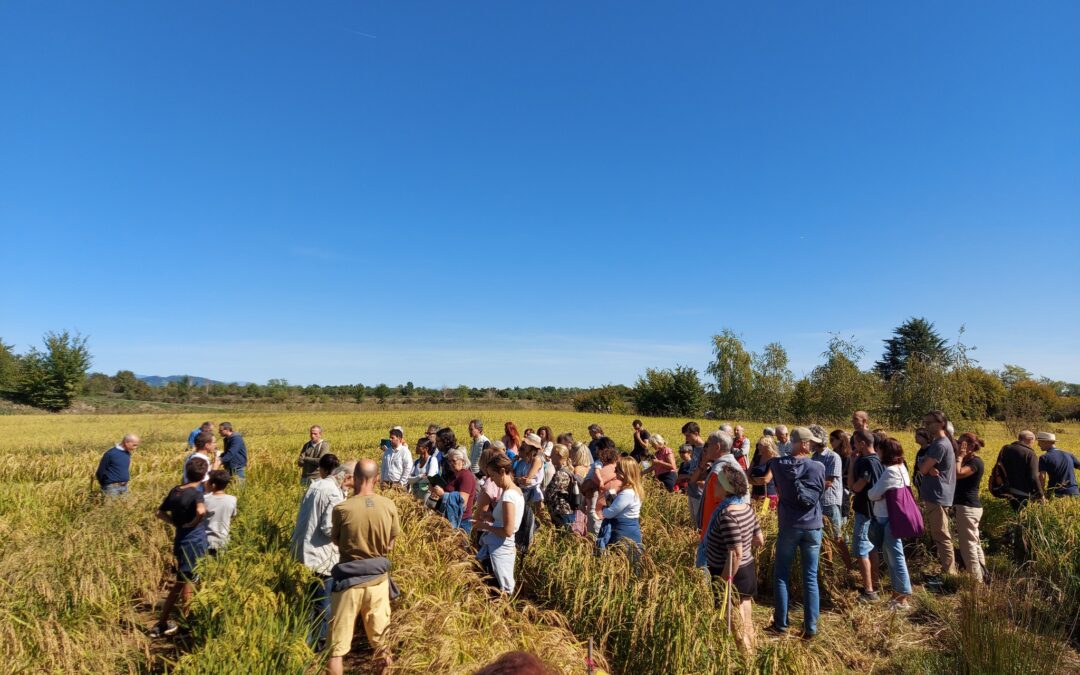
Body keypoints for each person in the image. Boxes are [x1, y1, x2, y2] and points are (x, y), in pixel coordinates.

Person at [327, 459, 400, 675]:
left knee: (336, 649)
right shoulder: (388, 505)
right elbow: (390, 544)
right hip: (378, 581)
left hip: (348, 582)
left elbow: (337, 541)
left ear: (354, 479)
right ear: (377, 479)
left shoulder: (342, 508)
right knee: (382, 643)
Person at [756, 427, 825, 639]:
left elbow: (773, 462)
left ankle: (781, 625)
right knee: (810, 577)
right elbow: (821, 492)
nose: (812, 445)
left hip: (788, 525)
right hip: (813, 526)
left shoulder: (777, 465)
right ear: (803, 444)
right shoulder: (818, 466)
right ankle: (810, 628)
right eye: (810, 442)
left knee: (781, 575)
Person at [290, 454, 352, 649]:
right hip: (321, 556)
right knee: (322, 601)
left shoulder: (317, 484)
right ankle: (320, 645)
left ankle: (303, 643)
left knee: (308, 600)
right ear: (347, 478)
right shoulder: (333, 493)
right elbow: (327, 528)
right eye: (352, 483)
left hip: (303, 550)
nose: (351, 488)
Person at [704, 463, 764, 653]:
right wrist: (745, 543)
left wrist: (723, 581)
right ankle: (752, 652)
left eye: (717, 484)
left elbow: (735, 553)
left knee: (733, 619)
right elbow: (759, 540)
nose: (714, 486)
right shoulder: (745, 507)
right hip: (746, 569)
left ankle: (745, 657)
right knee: (746, 615)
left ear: (725, 488)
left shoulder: (727, 514)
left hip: (730, 572)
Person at [150, 456, 209, 638]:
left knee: (181, 581)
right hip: (194, 540)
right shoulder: (197, 492)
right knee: (187, 582)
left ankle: (163, 622)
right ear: (203, 475)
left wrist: (175, 523)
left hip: (180, 538)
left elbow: (159, 512)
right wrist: (194, 522)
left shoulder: (176, 490)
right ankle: (185, 622)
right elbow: (201, 511)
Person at [867, 438, 914, 611]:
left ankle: (902, 597)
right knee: (891, 556)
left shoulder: (890, 472)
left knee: (895, 557)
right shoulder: (901, 468)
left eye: (879, 450)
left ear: (885, 452)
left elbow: (873, 494)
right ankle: (897, 595)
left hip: (887, 518)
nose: (877, 453)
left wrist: (876, 493)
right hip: (895, 518)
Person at [474, 454, 524, 594]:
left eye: (493, 476)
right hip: (503, 547)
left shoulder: (508, 495)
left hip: (499, 549)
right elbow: (507, 520)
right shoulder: (516, 491)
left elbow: (507, 530)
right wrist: (490, 516)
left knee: (496, 589)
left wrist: (484, 526)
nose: (492, 480)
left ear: (502, 472)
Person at [916, 411, 958, 576]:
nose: (925, 426)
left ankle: (950, 573)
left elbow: (923, 468)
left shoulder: (940, 444)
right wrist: (925, 467)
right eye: (924, 423)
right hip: (936, 494)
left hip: (938, 495)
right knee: (939, 534)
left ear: (941, 423)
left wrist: (925, 466)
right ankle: (947, 570)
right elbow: (925, 467)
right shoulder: (937, 443)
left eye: (929, 423)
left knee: (941, 534)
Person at [849, 429, 883, 602]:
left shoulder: (864, 462)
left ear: (862, 443)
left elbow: (855, 487)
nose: (853, 445)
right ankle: (875, 584)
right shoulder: (879, 459)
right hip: (877, 509)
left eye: (855, 442)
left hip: (865, 509)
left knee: (861, 549)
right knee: (872, 548)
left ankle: (869, 590)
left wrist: (852, 463)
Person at [954, 433, 987, 581]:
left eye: (961, 443)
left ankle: (976, 581)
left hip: (968, 507)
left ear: (971, 447)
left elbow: (957, 473)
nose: (958, 445)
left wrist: (959, 456)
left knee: (968, 547)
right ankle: (983, 575)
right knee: (974, 543)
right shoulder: (969, 460)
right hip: (967, 507)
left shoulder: (975, 463)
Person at [598, 456, 645, 553]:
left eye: (617, 470)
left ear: (624, 472)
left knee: (620, 559)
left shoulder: (627, 493)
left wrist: (604, 509)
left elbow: (609, 513)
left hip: (623, 531)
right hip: (631, 529)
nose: (615, 473)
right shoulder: (635, 490)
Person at [812, 429, 846, 559]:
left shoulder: (832, 456)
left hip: (830, 501)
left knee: (836, 537)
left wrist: (809, 490)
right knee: (824, 539)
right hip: (819, 502)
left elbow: (829, 482)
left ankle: (849, 570)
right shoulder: (815, 456)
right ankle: (830, 571)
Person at [430, 447, 477, 533]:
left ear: (462, 461)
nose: (451, 463)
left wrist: (443, 495)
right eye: (449, 461)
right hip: (450, 518)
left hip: (461, 521)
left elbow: (462, 502)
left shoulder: (466, 476)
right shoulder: (454, 475)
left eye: (454, 461)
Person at [994, 430, 1044, 511]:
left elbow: (998, 466)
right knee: (1023, 518)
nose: (1033, 444)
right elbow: (1034, 477)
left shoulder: (1005, 449)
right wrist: (1040, 494)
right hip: (1023, 494)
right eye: (1034, 441)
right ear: (1030, 439)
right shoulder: (1030, 453)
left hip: (1007, 490)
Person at [583, 437, 621, 536]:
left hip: (600, 514)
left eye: (597, 449)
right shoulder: (619, 466)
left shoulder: (608, 468)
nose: (596, 452)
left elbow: (585, 486)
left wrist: (587, 485)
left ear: (603, 450)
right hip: (608, 513)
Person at [545, 444, 584, 533]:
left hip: (561, 512)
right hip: (566, 511)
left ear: (559, 455)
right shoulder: (566, 470)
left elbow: (549, 493)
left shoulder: (561, 474)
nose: (550, 456)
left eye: (552, 454)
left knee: (563, 537)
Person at [204, 470, 238, 555]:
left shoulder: (205, 499)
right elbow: (233, 515)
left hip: (207, 539)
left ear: (213, 485)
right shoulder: (232, 499)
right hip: (223, 540)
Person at [1037, 432, 1080, 497]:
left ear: (1046, 442)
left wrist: (1041, 493)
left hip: (1056, 493)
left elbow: (1042, 477)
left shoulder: (1044, 457)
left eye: (1039, 442)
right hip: (1074, 492)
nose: (1038, 444)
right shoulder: (1069, 454)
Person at [681, 422, 706, 526]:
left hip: (699, 491)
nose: (686, 439)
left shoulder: (705, 450)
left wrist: (687, 476)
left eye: (688, 435)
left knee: (699, 522)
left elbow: (705, 472)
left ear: (696, 433)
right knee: (693, 522)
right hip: (692, 489)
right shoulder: (694, 448)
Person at [749, 436, 778, 509]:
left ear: (767, 446)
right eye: (758, 444)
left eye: (761, 445)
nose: (758, 447)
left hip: (768, 496)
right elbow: (747, 475)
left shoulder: (773, 460)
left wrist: (752, 480)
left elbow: (766, 479)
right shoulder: (757, 458)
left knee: (764, 515)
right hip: (755, 494)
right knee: (755, 516)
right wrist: (758, 481)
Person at [830, 430, 853, 518]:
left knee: (842, 513)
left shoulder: (846, 456)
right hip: (834, 487)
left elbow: (840, 473)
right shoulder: (833, 454)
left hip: (843, 487)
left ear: (840, 440)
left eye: (832, 440)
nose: (830, 443)